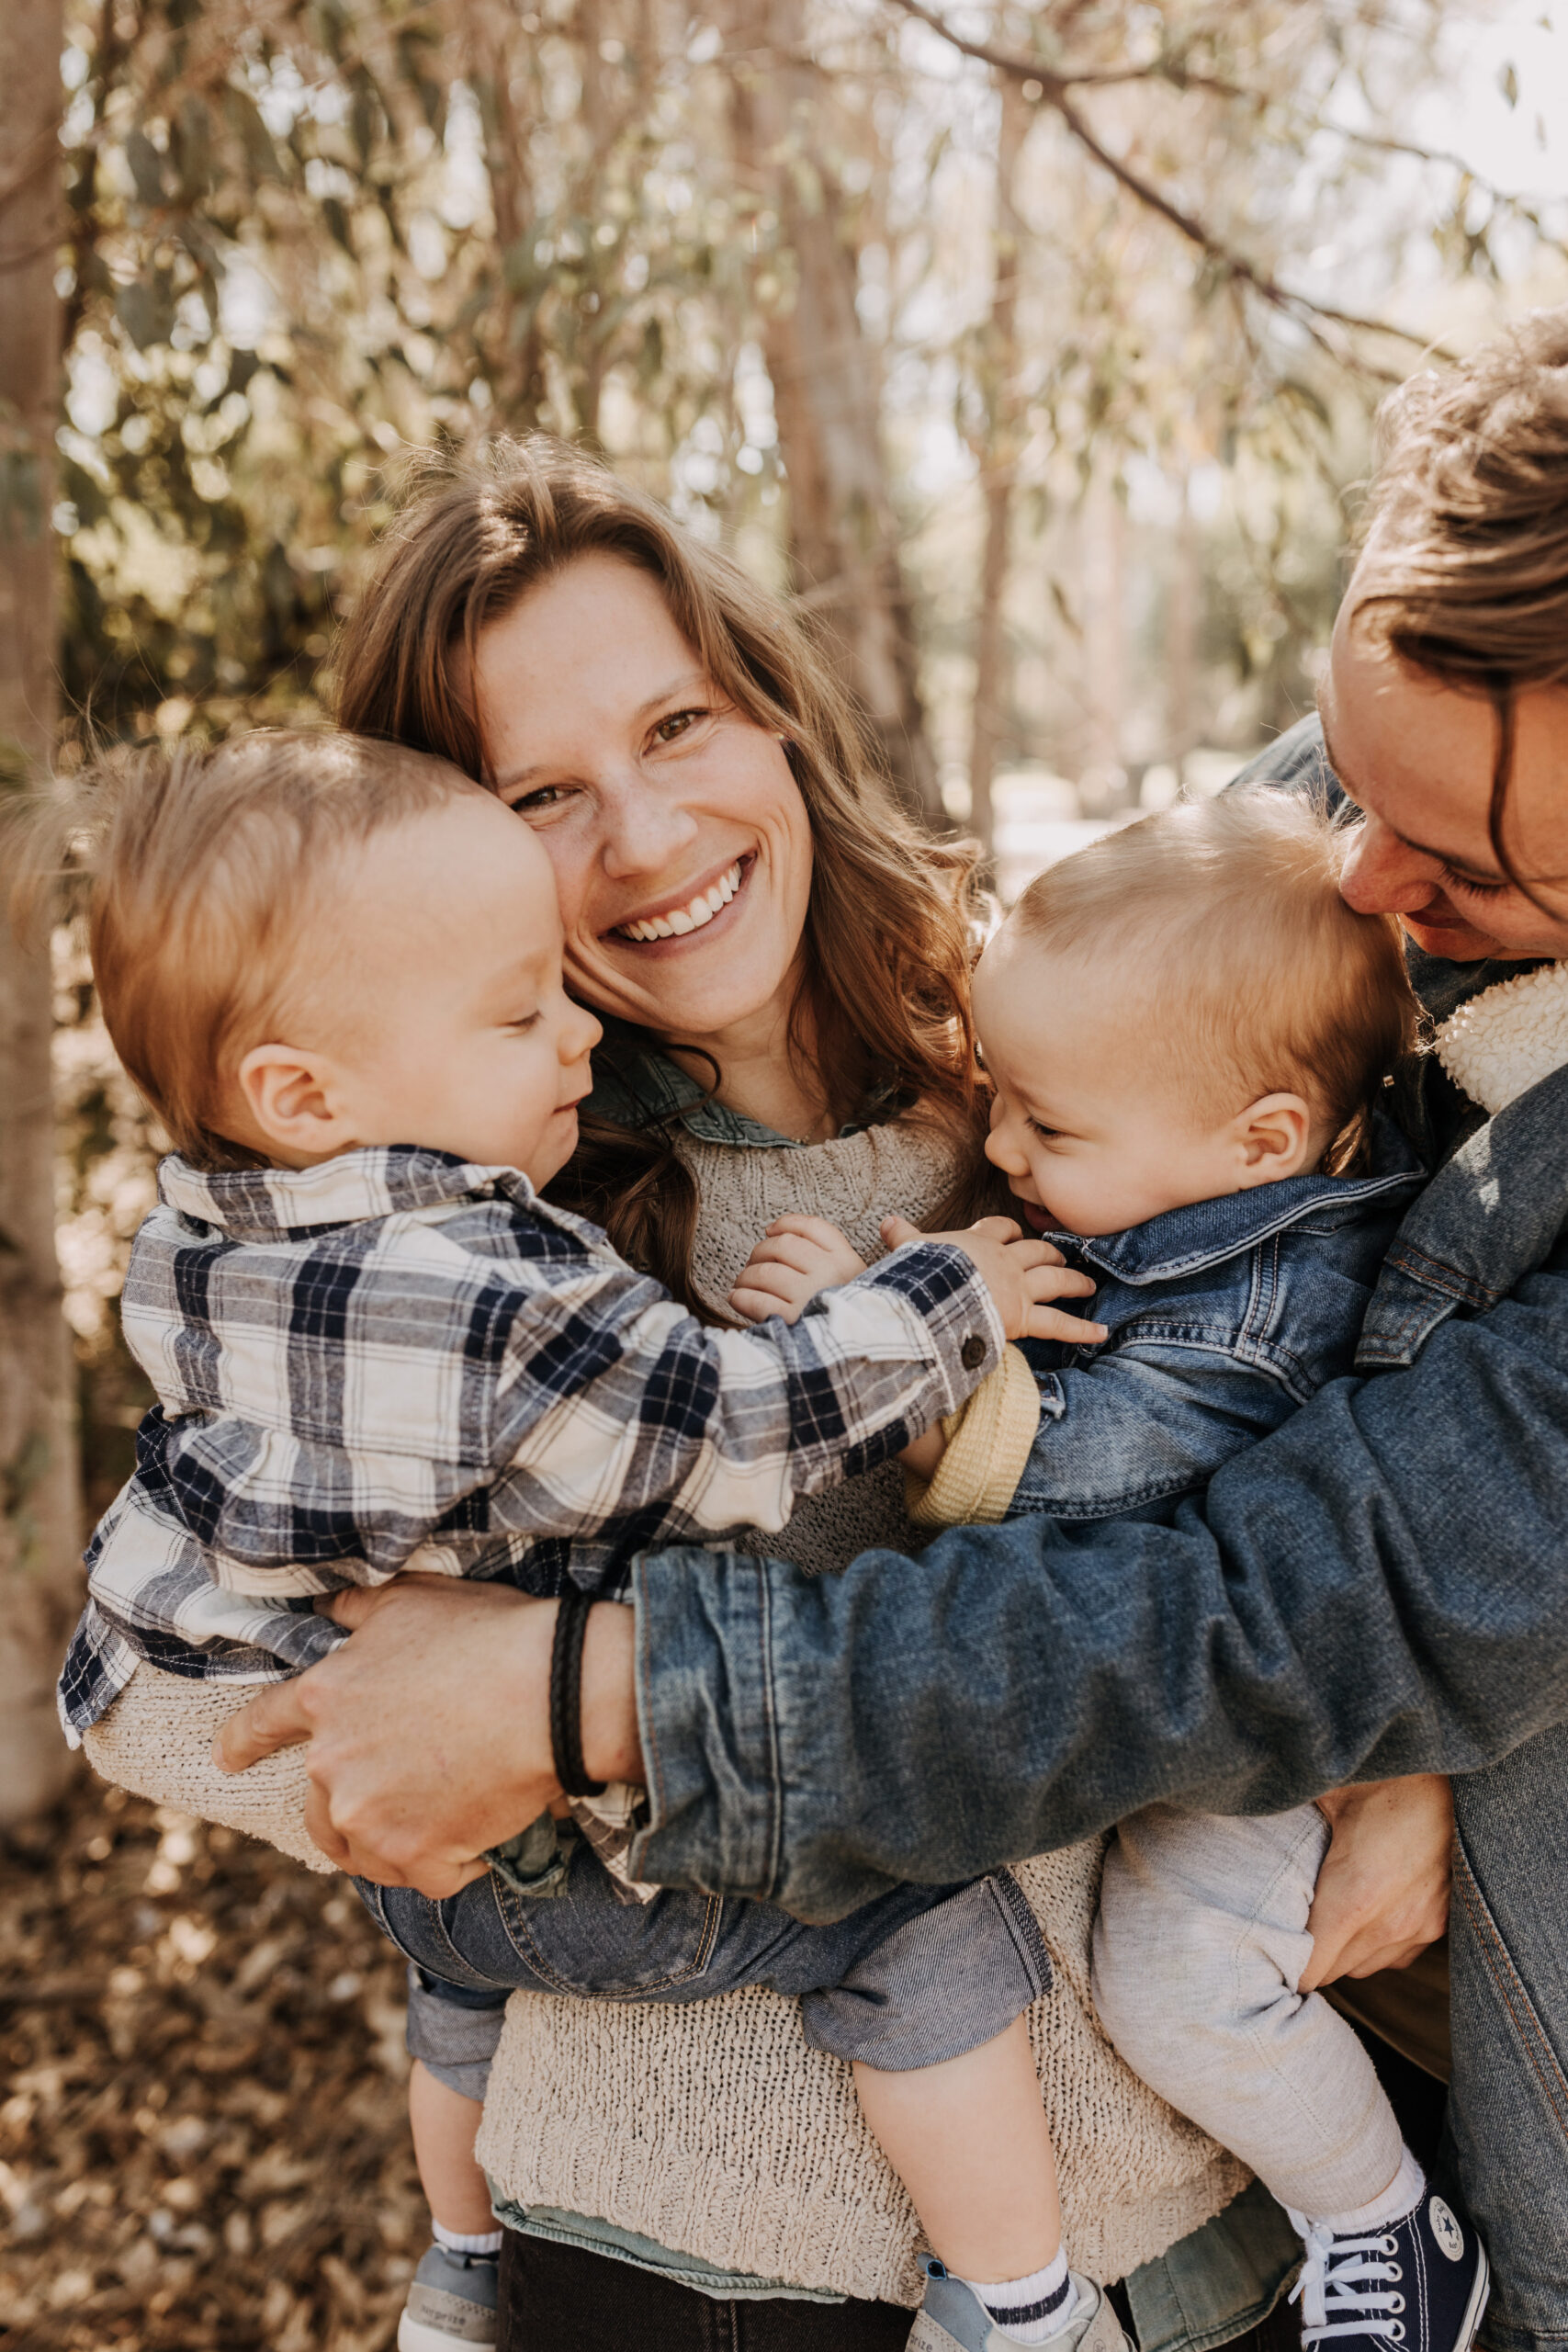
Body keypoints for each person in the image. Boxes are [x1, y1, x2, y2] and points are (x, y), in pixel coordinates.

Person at [216, 311, 1568, 2352]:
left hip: (1183, 2195)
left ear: (772, 714)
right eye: (543, 790)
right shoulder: (437, 1251)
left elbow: (1298, 1525)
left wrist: (1407, 1737)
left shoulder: (1042, 1060)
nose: (649, 838)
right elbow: (287, 1711)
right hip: (717, 2234)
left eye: (679, 729)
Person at [34, 729, 1107, 2352]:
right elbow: (740, 1428)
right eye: (519, 1010)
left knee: (454, 1974)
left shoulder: (200, 1239)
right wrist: (949, 1298)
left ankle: (461, 2268)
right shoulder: (483, 1298)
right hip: (574, 1855)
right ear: (305, 1093)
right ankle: (1023, 2303)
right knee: (907, 1903)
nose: (579, 1033)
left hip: (427, 1884)